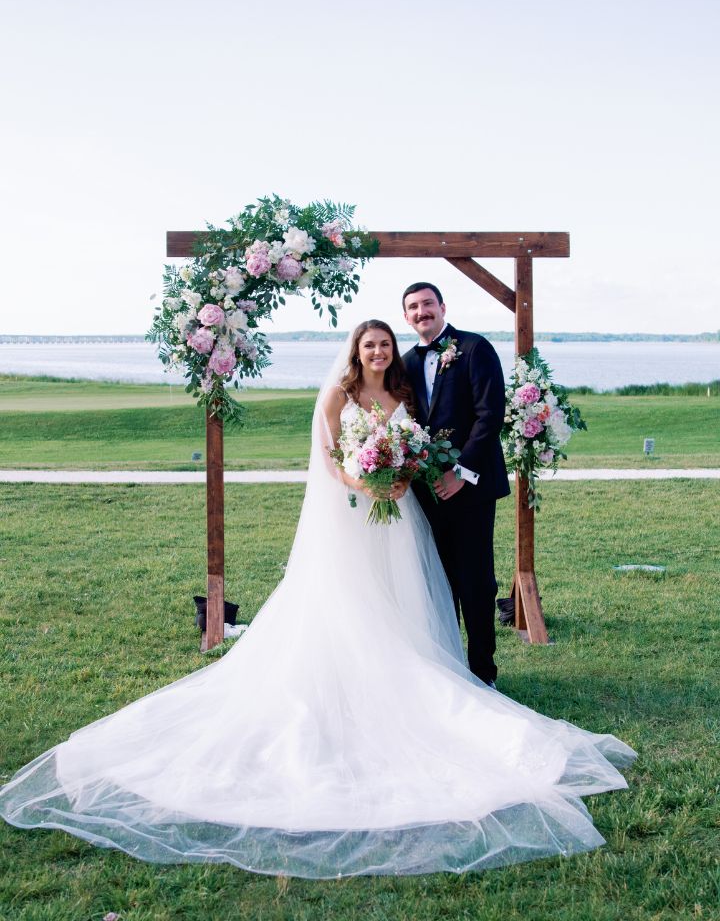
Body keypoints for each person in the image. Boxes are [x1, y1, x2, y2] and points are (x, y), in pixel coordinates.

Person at [0, 320, 636, 879]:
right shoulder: (339, 391)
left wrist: (401, 474)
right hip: (352, 512)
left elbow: (423, 440)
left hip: (398, 514)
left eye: (387, 342)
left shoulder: (406, 389)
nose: (381, 350)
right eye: (372, 343)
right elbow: (331, 454)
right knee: (347, 601)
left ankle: (436, 669)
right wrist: (364, 478)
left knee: (405, 597)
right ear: (356, 351)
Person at [402, 283, 509, 687]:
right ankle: (448, 671)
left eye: (427, 303)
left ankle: (484, 673)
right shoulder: (407, 362)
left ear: (442, 307)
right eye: (413, 307)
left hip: (472, 488)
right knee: (437, 582)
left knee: (476, 582)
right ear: (406, 316)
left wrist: (460, 472)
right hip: (426, 493)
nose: (421, 311)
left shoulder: (475, 348)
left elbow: (489, 416)